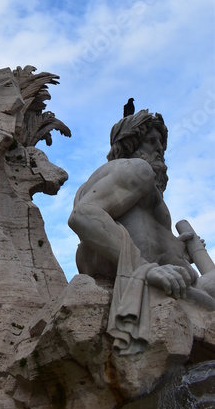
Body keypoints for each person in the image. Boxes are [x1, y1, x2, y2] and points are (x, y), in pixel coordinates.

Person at [69, 108, 215, 353]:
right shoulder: (136, 169)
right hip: (157, 286)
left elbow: (139, 235)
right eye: (151, 141)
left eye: (161, 143)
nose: (159, 149)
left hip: (182, 284)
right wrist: (143, 270)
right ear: (131, 145)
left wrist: (178, 250)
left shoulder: (141, 191)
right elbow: (83, 216)